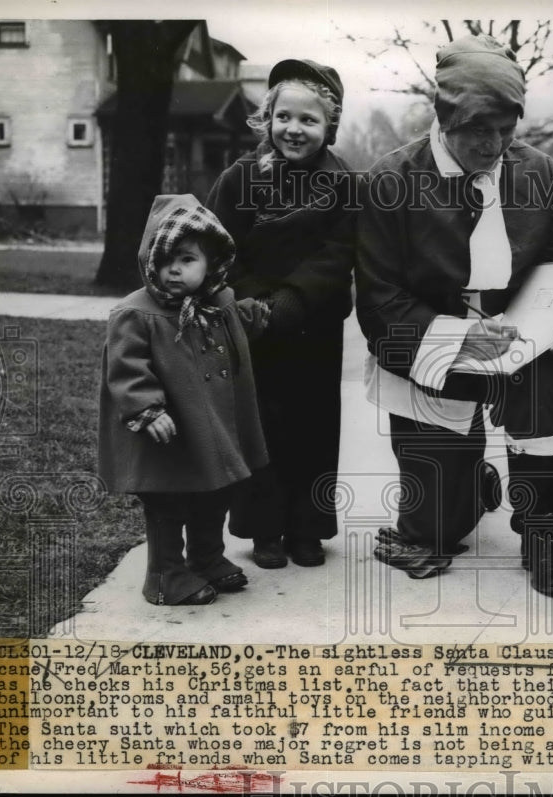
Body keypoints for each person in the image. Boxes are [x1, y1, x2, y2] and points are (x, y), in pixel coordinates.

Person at [355, 34, 553, 597]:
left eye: (507, 130)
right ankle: (468, 486)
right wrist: (459, 338)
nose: (495, 145)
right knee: (435, 534)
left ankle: (540, 529)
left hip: (517, 343)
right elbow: (379, 299)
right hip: (433, 350)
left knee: (543, 408)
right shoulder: (390, 181)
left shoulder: (536, 172)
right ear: (444, 118)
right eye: (480, 130)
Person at [206, 59, 358, 569]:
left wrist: (291, 303)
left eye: (309, 120)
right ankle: (264, 529)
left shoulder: (341, 183)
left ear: (328, 126)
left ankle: (308, 529)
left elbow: (338, 253)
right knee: (261, 429)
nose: (295, 129)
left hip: (314, 326)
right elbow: (220, 246)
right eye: (284, 117)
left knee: (314, 428)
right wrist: (253, 304)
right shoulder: (241, 177)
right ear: (267, 119)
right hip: (254, 327)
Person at [97, 194, 270, 606]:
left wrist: (252, 316)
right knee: (168, 503)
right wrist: (146, 407)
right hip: (168, 434)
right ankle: (165, 575)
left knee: (216, 494)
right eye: (165, 259)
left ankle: (207, 558)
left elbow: (233, 336)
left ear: (211, 263)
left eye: (187, 259)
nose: (174, 269)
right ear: (150, 260)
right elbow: (126, 367)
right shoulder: (136, 313)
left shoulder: (217, 304)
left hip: (214, 429)